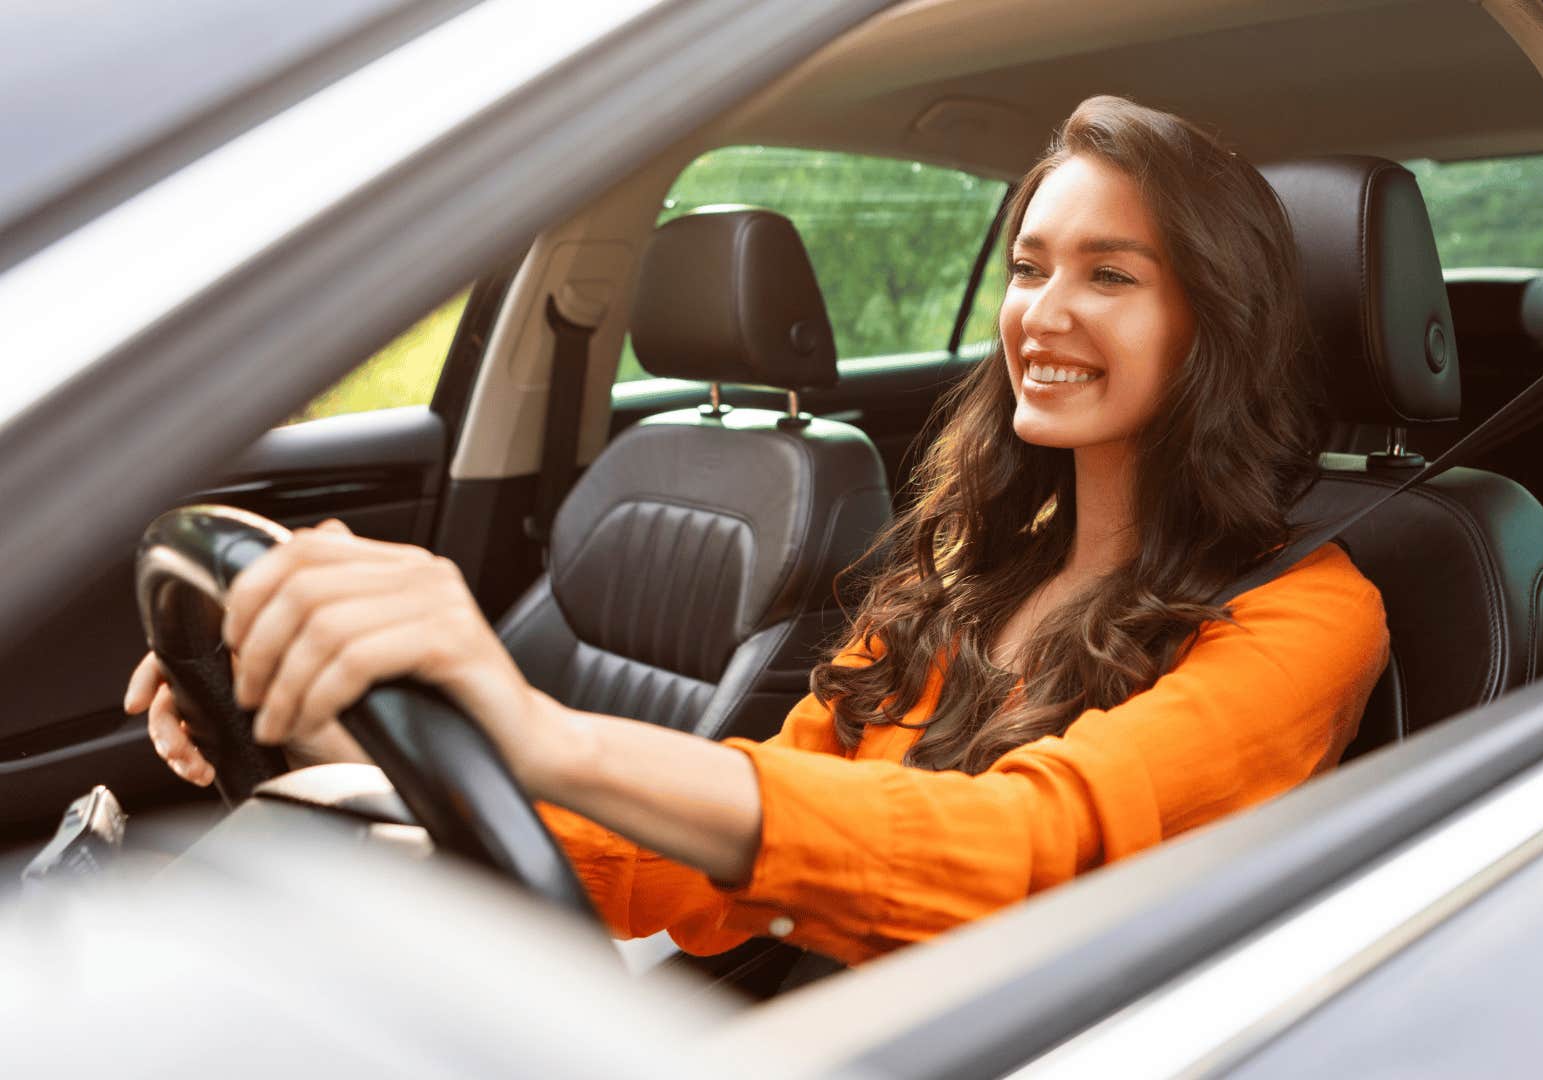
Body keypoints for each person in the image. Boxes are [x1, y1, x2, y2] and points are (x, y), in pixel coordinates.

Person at [126, 96, 1389, 966]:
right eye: (1029, 264)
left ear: (1216, 323)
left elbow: (1033, 855)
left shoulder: (1313, 614)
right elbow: (751, 836)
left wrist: (539, 733)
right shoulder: (965, 569)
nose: (1042, 313)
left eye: (1111, 274)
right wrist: (347, 744)